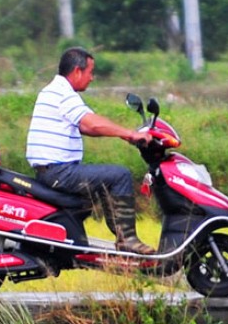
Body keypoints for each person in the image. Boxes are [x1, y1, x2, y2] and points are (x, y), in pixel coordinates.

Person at [25, 47, 155, 255]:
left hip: (51, 172)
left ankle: (74, 241)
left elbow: (86, 126)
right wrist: (130, 134)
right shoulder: (63, 94)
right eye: (90, 72)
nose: (92, 78)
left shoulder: (54, 90)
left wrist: (124, 135)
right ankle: (127, 240)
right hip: (59, 172)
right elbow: (91, 123)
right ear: (77, 71)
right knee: (120, 175)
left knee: (95, 189)